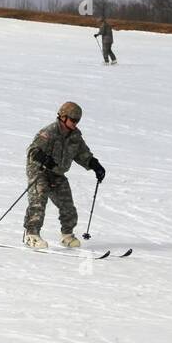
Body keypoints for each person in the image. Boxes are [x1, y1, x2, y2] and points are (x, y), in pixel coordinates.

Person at [23, 101, 106, 249]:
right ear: (63, 117)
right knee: (38, 201)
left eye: (78, 120)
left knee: (67, 205)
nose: (75, 123)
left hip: (57, 173)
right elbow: (32, 151)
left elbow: (82, 154)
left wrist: (95, 165)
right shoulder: (49, 132)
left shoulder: (75, 136)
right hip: (39, 171)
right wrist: (44, 159)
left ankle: (67, 235)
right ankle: (32, 235)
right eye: (73, 120)